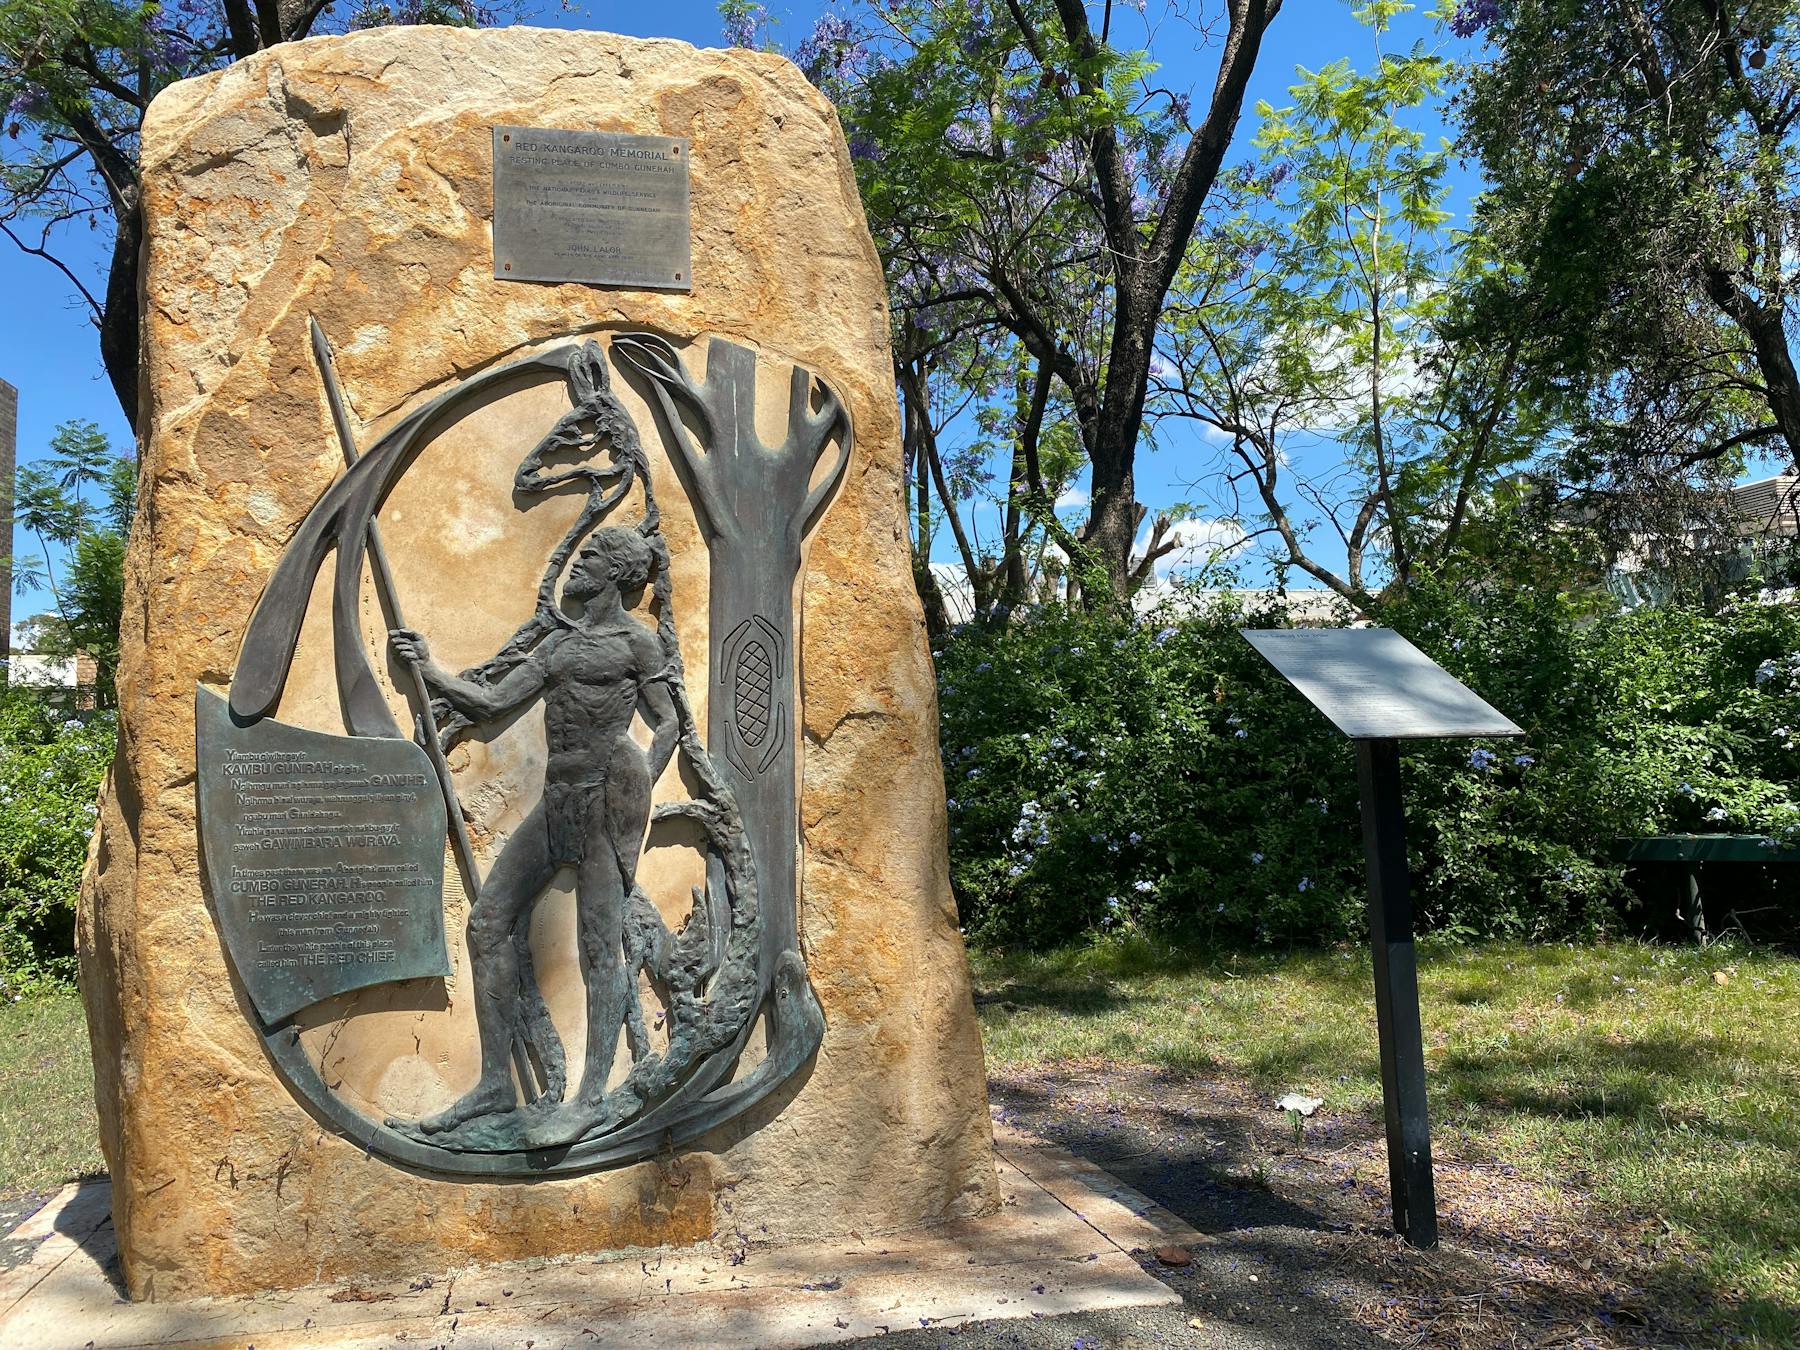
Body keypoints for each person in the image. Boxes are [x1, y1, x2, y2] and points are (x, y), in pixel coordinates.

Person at [388, 526, 676, 1146]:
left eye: (593, 556)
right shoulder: (559, 647)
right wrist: (429, 670)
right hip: (557, 802)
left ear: (616, 574)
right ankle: (495, 1083)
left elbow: (669, 722)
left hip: (606, 805)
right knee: (488, 922)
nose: (580, 564)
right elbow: (491, 703)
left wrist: (637, 792)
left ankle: (591, 1097)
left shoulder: (639, 646)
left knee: (601, 947)